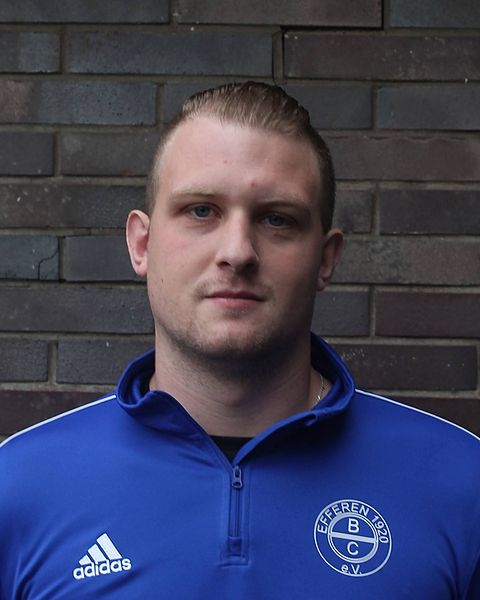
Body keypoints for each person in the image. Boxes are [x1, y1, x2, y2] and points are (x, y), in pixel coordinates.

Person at [0, 82, 479, 599]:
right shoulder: (20, 486)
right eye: (201, 210)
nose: (237, 252)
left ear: (325, 260)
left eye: (277, 219)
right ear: (142, 244)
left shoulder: (460, 483)